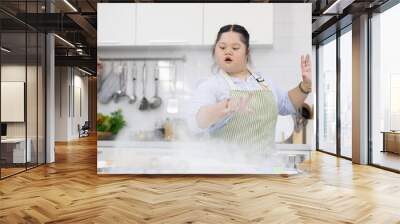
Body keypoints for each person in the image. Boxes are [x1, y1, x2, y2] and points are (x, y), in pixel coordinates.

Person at [187, 24, 312, 153]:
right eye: (222, 47)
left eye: (235, 48)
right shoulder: (211, 85)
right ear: (215, 50)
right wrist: (225, 107)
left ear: (247, 51)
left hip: (265, 167)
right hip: (225, 168)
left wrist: (306, 85)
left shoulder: (264, 82)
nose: (228, 51)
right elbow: (195, 122)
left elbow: (287, 104)